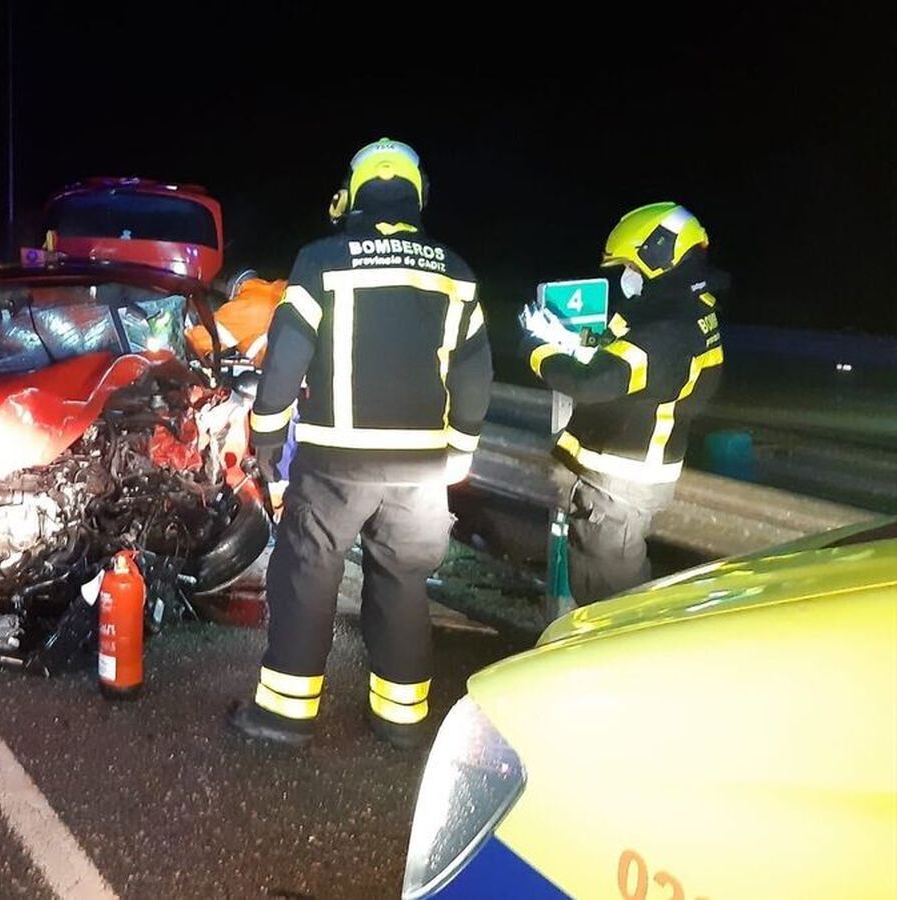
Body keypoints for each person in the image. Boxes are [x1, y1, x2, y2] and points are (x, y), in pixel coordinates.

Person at [228, 139, 492, 749]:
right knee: (403, 583)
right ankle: (401, 719)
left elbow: (287, 356)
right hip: (422, 471)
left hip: (334, 465)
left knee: (307, 576)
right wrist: (461, 450)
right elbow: (475, 373)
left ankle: (286, 716)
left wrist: (267, 435)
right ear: (417, 194)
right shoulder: (456, 272)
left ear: (353, 194)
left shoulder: (322, 260)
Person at [521, 203, 725, 603]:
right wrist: (570, 340)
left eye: (631, 266)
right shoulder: (686, 311)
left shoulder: (666, 331)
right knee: (607, 590)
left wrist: (536, 347)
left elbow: (592, 381)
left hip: (619, 487)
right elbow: (622, 354)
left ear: (657, 256)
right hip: (629, 477)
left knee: (610, 603)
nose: (627, 278)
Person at [187, 269, 287, 366]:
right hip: (297, 354)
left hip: (286, 366)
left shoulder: (246, 305)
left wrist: (181, 337)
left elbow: (202, 340)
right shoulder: (277, 287)